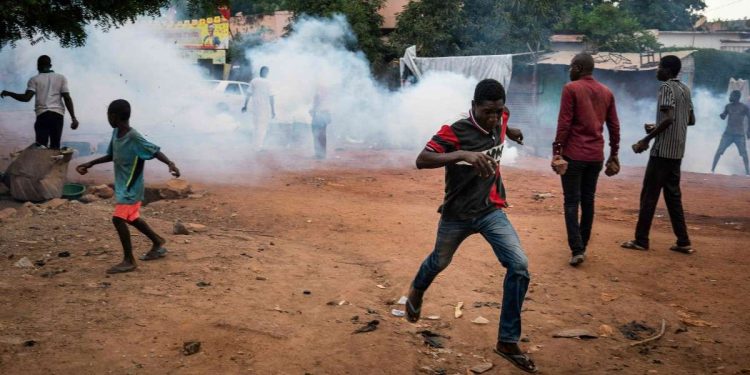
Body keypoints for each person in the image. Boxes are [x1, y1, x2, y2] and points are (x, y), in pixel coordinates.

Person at [405, 79, 536, 373]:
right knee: (439, 260)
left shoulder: (501, 117)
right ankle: (416, 290)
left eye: (498, 112)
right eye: (487, 112)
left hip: (491, 210)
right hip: (457, 214)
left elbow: (503, 122)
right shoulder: (455, 130)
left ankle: (507, 341)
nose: (493, 118)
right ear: (474, 106)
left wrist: (509, 132)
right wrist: (463, 154)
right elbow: (422, 159)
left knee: (519, 265)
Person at [76, 99, 180, 274]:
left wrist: (170, 163)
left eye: (108, 115)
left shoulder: (133, 136)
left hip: (132, 186)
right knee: (131, 218)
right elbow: (111, 155)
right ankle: (157, 242)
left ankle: (129, 260)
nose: (107, 118)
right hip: (123, 186)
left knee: (118, 219)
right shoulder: (116, 133)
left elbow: (153, 150)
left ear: (114, 116)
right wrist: (90, 164)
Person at [550, 53, 620, 267]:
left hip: (574, 154)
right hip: (595, 157)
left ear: (579, 68)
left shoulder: (571, 89)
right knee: (588, 200)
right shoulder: (606, 92)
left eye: (571, 67)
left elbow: (565, 123)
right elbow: (614, 126)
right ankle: (583, 244)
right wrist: (614, 154)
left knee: (572, 201)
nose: (569, 71)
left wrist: (557, 151)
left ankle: (577, 248)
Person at [622, 55, 695, 254]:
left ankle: (641, 239)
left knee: (649, 195)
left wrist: (646, 139)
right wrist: (657, 126)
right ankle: (683, 241)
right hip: (677, 151)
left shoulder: (666, 88)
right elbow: (689, 120)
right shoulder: (685, 89)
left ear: (668, 70)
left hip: (662, 151)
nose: (657, 71)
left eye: (659, 67)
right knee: (673, 196)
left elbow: (670, 118)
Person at [1, 55, 79, 149]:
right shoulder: (61, 78)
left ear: (38, 66)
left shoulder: (34, 79)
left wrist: (9, 93)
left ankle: (41, 162)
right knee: (55, 146)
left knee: (41, 146)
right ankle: (53, 163)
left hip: (43, 115)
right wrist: (73, 118)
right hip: (57, 116)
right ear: (50, 65)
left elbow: (26, 98)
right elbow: (67, 98)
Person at [711, 90, 749, 175]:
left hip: (739, 134)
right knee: (719, 151)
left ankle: (748, 173)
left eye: (731, 96)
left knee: (744, 153)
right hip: (728, 133)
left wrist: (748, 131)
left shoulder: (744, 107)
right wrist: (722, 116)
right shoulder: (728, 106)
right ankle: (712, 170)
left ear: (736, 97)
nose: (729, 97)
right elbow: (724, 116)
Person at [242, 66, 276, 149]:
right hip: (264, 108)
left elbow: (248, 94)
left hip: (255, 107)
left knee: (256, 126)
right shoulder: (268, 83)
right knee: (262, 127)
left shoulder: (254, 81)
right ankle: (258, 146)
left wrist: (245, 106)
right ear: (266, 73)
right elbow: (271, 97)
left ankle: (254, 145)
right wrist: (273, 111)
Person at [310, 86, 331, 159]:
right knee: (322, 135)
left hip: (319, 116)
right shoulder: (326, 94)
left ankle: (319, 154)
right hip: (324, 115)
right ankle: (322, 154)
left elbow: (316, 105)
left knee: (317, 135)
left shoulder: (317, 94)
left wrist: (312, 111)